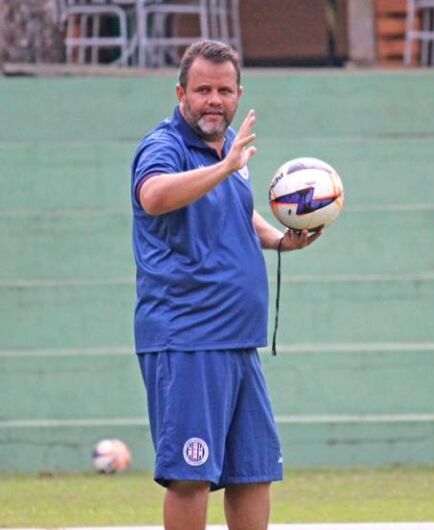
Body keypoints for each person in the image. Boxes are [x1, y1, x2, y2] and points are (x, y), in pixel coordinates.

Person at [130, 40, 319, 530]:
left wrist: (280, 241)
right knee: (190, 476)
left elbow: (237, 212)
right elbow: (153, 197)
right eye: (203, 90)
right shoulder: (164, 147)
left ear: (239, 94)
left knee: (253, 473)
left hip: (239, 341)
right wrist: (223, 167)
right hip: (189, 339)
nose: (214, 100)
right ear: (181, 93)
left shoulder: (229, 149)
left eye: (224, 90)